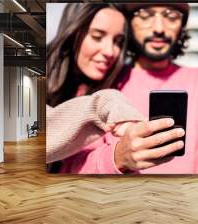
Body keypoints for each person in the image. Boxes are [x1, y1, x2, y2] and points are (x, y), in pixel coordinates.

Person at [61, 3, 198, 174]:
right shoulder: (100, 83)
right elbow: (72, 169)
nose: (159, 28)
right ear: (129, 23)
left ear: (182, 26)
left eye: (171, 15)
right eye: (145, 15)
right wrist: (117, 158)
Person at [46, 3, 144, 172]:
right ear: (72, 33)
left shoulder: (123, 83)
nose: (110, 51)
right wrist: (104, 104)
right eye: (97, 37)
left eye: (118, 42)